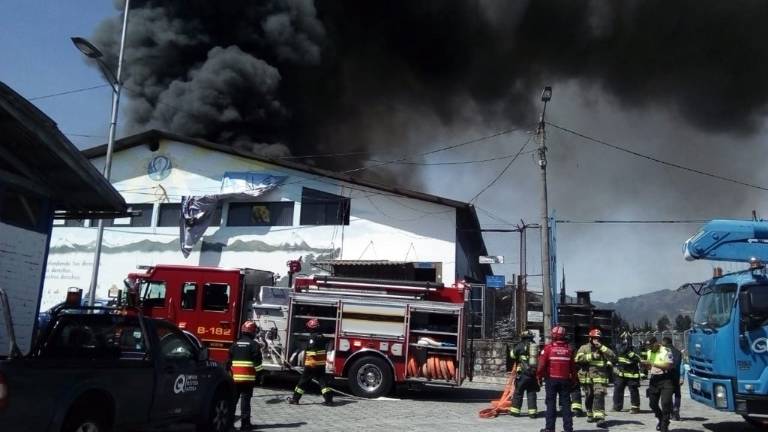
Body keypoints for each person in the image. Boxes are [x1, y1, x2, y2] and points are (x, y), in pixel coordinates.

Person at [537, 326, 577, 432]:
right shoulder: (569, 350)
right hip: (565, 381)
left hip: (551, 380)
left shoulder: (548, 349)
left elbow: (541, 365)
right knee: (566, 405)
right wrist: (574, 380)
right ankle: (568, 429)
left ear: (553, 336)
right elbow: (573, 368)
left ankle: (550, 428)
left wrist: (539, 377)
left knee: (550, 404)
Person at [286, 318, 334, 406]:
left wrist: (307, 350)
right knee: (323, 382)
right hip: (321, 364)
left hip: (311, 364)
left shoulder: (313, 337)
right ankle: (329, 400)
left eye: (309, 328)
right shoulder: (322, 336)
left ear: (312, 328)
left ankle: (295, 399)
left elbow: (312, 349)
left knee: (302, 382)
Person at [575, 328, 616, 428]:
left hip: (599, 378)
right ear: (590, 338)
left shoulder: (603, 349)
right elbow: (577, 359)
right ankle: (590, 412)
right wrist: (591, 356)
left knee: (599, 395)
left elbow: (613, 357)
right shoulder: (584, 348)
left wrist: (602, 347)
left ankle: (599, 418)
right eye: (594, 338)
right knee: (589, 396)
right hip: (587, 378)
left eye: (598, 338)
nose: (596, 340)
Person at [227, 320, 264, 431]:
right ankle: (245, 425)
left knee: (233, 401)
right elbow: (257, 363)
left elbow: (228, 362)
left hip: (234, 379)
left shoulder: (234, 344)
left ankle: (229, 425)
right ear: (253, 332)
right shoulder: (254, 345)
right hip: (248, 379)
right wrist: (260, 375)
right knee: (245, 402)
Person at [641, 337, 674, 432]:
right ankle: (660, 418)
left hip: (666, 379)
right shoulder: (649, 352)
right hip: (654, 380)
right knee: (652, 404)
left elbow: (669, 365)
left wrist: (653, 363)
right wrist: (645, 365)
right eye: (648, 346)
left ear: (656, 343)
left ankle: (664, 425)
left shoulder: (666, 350)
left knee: (666, 403)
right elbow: (649, 367)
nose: (649, 348)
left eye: (651, 346)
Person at [509, 330, 540, 418]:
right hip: (533, 373)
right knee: (531, 393)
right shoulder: (535, 346)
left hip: (522, 374)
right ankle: (532, 413)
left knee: (518, 392)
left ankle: (515, 411)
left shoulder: (521, 345)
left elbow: (512, 355)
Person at [613, 331, 642, 414]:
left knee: (633, 390)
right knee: (618, 389)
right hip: (621, 373)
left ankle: (635, 407)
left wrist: (630, 353)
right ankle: (617, 406)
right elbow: (615, 358)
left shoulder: (634, 349)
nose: (625, 341)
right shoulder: (618, 348)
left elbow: (638, 358)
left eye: (627, 339)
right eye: (623, 339)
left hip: (632, 373)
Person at [662, 337, 683, 421]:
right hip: (676, 375)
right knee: (677, 394)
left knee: (668, 394)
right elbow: (681, 366)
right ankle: (676, 409)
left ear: (665, 343)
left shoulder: (664, 352)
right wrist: (682, 377)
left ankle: (671, 412)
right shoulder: (678, 352)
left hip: (667, 375)